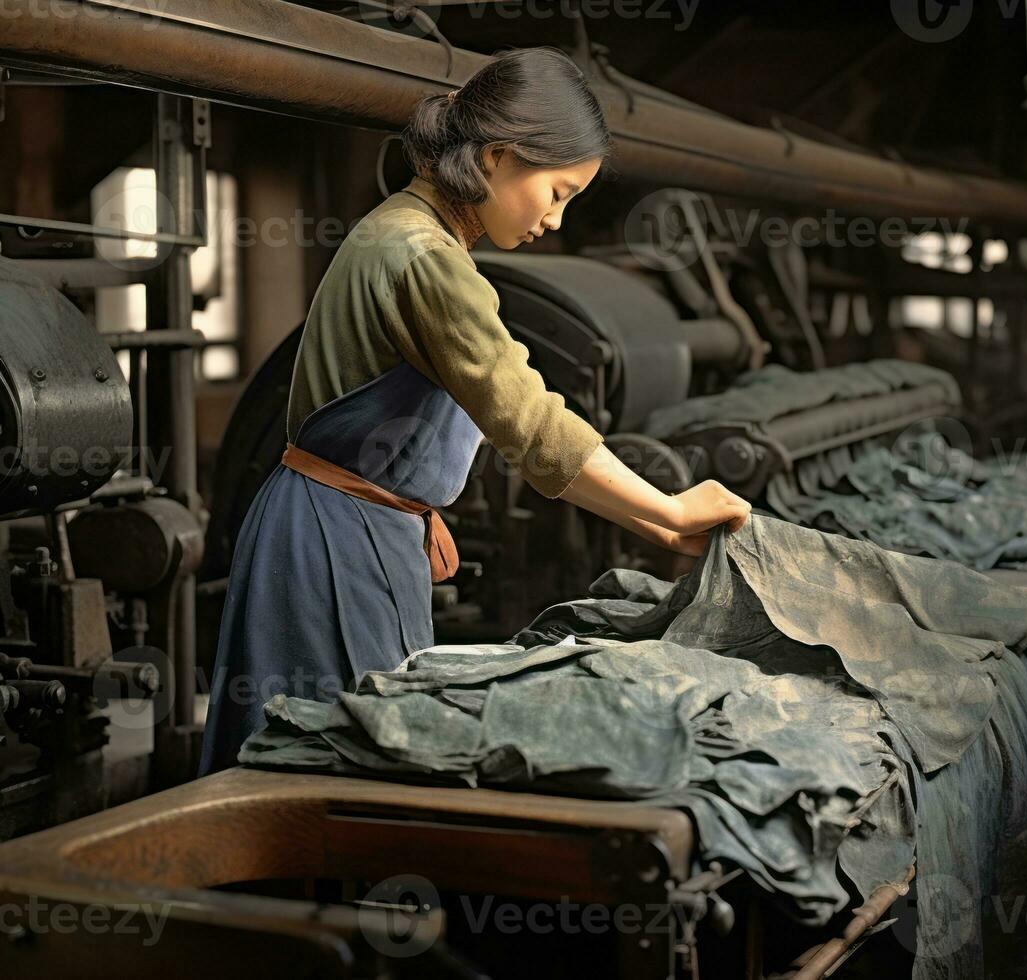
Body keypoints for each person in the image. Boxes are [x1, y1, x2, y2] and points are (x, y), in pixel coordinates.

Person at [197, 48, 750, 776]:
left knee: (350, 756)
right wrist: (670, 512)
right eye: (555, 192)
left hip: (363, 529)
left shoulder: (410, 232)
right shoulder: (422, 256)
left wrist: (656, 522)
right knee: (336, 769)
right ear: (496, 157)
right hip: (332, 541)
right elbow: (528, 420)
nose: (556, 218)